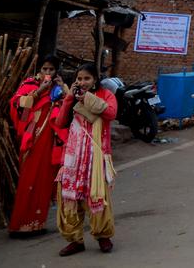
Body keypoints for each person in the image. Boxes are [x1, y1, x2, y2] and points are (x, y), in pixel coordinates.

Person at [55, 63, 117, 256]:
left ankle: (103, 236)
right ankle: (75, 239)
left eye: (87, 78)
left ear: (95, 80)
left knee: (97, 195)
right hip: (73, 155)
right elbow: (60, 122)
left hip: (97, 154)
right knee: (70, 197)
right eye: (79, 79)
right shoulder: (72, 97)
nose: (83, 82)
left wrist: (87, 98)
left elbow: (110, 113)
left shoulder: (106, 95)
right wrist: (70, 99)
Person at [8, 55, 69, 236]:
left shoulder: (58, 89)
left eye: (51, 70)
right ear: (39, 70)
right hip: (33, 138)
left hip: (50, 140)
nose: (47, 73)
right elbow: (16, 104)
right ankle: (19, 224)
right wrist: (38, 91)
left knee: (44, 179)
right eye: (44, 69)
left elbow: (69, 103)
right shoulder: (30, 84)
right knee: (28, 179)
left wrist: (63, 87)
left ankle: (37, 224)